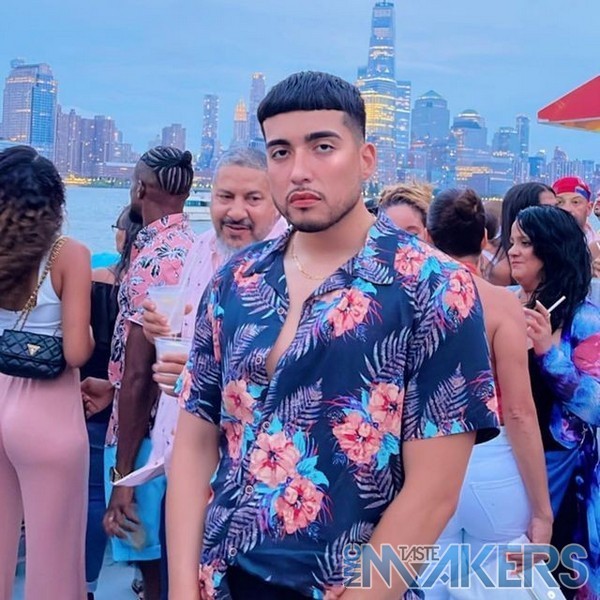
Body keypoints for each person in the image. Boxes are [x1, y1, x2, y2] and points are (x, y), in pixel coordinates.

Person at [167, 71, 499, 600]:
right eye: (280, 152)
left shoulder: (433, 286)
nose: (299, 170)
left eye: (322, 147)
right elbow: (195, 442)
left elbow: (434, 493)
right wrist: (182, 587)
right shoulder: (237, 280)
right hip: (223, 574)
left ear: (366, 159)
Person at [142, 147, 286, 600]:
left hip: (254, 487)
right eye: (225, 196)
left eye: (252, 198)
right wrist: (157, 332)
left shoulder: (293, 264)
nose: (236, 211)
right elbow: (187, 335)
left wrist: (200, 373)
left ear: (277, 201)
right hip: (184, 466)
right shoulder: (202, 248)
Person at [421, 188, 552, 598]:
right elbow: (519, 412)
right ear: (483, 239)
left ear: (427, 237)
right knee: (504, 587)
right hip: (493, 463)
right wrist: (543, 511)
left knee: (427, 586)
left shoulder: (407, 303)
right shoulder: (501, 304)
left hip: (426, 464)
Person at [81, 146, 196, 600]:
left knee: (153, 573)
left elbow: (138, 376)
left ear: (140, 189)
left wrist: (122, 480)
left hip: (145, 443)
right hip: (182, 433)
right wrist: (111, 388)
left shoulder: (151, 260)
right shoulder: (193, 247)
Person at [0, 145, 94, 599]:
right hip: (45, 412)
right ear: (56, 201)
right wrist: (89, 334)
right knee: (54, 556)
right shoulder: (68, 254)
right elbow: (75, 352)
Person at [508, 205, 600, 598]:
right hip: (504, 462)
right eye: (512, 241)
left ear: (551, 250)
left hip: (563, 472)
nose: (513, 251)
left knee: (558, 574)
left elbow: (595, 407)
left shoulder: (584, 318)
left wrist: (549, 353)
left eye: (525, 243)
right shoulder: (504, 304)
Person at [81, 206, 142, 599]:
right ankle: (145, 572)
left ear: (123, 234)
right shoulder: (154, 282)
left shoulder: (94, 280)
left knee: (92, 497)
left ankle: (86, 584)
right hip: (135, 406)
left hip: (91, 397)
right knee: (138, 493)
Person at [483, 182, 556, 286]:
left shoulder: (565, 252)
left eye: (556, 208)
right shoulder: (505, 271)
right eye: (546, 209)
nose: (555, 214)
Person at [552, 176, 600, 280]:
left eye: (575, 202)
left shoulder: (597, 248)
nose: (567, 209)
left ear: (589, 208)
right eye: (559, 203)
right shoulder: (540, 245)